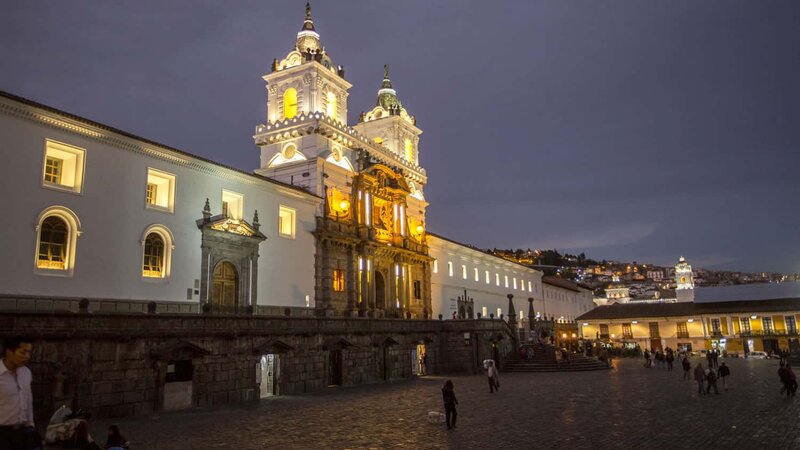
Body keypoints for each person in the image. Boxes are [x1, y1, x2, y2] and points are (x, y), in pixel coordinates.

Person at [0, 337, 39, 450]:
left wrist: (30, 424)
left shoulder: (26, 373)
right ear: (9, 352)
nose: (27, 356)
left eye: (29, 352)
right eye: (23, 352)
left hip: (22, 433)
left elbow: (28, 399)